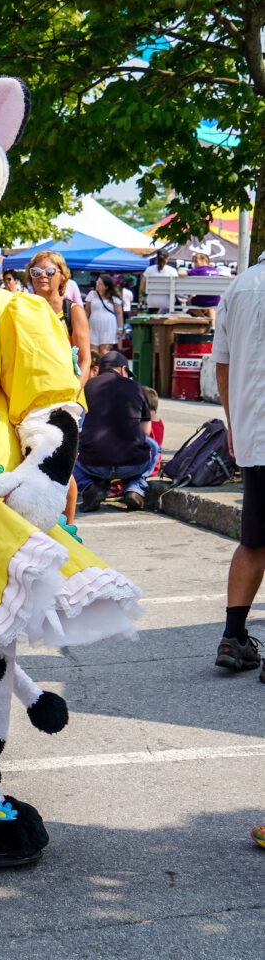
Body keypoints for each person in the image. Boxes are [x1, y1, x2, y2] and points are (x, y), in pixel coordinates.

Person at [212, 249, 265, 679]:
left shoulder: (240, 285)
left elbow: (222, 365)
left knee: (254, 539)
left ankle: (233, 635)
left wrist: (234, 423)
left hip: (253, 433)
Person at [73, 351, 158, 512]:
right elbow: (146, 431)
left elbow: (78, 424)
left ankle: (90, 487)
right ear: (122, 369)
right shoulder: (137, 388)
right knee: (154, 447)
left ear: (100, 369)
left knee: (71, 451)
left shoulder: (86, 387)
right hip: (132, 464)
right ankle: (135, 488)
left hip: (93, 464)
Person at [28, 251, 91, 388]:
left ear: (62, 277)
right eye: (36, 272)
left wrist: (72, 397)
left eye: (50, 271)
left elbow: (84, 361)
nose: (42, 275)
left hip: (65, 391)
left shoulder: (74, 312)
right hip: (32, 392)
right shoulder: (24, 310)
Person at [86, 274, 126, 359]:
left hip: (108, 326)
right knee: (93, 352)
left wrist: (120, 328)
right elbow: (87, 311)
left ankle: (104, 369)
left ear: (106, 287)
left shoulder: (114, 298)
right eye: (97, 282)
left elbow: (119, 314)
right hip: (93, 326)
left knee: (104, 352)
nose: (97, 285)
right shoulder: (92, 294)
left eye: (100, 284)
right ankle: (95, 370)